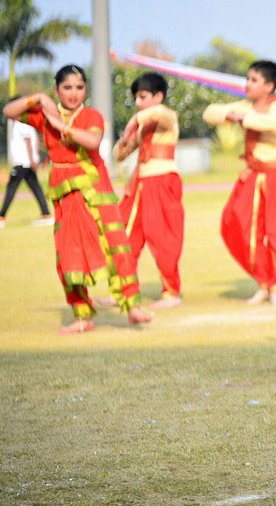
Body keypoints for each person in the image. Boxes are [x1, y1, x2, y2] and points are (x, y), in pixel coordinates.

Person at [2, 65, 152, 333]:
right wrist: (36, 98)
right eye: (67, 87)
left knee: (117, 244)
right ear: (56, 89)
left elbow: (92, 142)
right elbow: (8, 111)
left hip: (96, 187)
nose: (74, 93)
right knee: (69, 254)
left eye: (79, 87)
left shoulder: (91, 115)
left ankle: (133, 306)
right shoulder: (42, 114)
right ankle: (82, 316)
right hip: (65, 192)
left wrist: (60, 125)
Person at [202, 60, 276, 305]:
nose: (247, 84)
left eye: (254, 80)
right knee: (236, 223)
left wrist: (242, 117)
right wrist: (232, 114)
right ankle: (264, 281)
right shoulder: (245, 106)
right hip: (254, 175)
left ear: (269, 86)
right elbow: (210, 113)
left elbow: (275, 123)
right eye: (248, 79)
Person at [113, 72, 185, 308]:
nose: (138, 102)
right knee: (124, 235)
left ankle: (172, 292)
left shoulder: (168, 118)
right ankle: (124, 291)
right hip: (139, 186)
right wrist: (124, 141)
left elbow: (159, 113)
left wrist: (135, 120)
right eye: (136, 97)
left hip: (162, 182)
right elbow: (121, 154)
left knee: (163, 237)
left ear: (158, 96)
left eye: (142, 96)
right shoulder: (143, 126)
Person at [0, 117, 53, 227]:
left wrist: (33, 159)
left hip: (22, 163)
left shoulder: (21, 123)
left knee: (11, 188)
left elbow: (28, 141)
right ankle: (46, 214)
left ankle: (1, 216)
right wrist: (35, 156)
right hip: (26, 163)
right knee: (36, 188)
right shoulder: (27, 123)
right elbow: (36, 140)